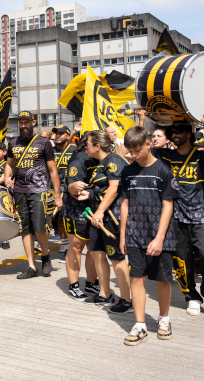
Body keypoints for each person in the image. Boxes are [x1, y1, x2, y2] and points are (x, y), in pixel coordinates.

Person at [152, 115, 204, 317]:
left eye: (178, 131)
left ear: (189, 134)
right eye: (171, 132)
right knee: (181, 260)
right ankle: (192, 297)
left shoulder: (201, 156)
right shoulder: (165, 155)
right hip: (176, 215)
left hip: (202, 213)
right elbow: (135, 150)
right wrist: (142, 121)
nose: (174, 134)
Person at [118, 126, 178, 346]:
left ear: (148, 144)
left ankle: (164, 319)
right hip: (134, 233)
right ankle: (140, 324)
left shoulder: (163, 170)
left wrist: (160, 238)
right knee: (136, 278)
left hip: (159, 235)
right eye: (130, 151)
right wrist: (123, 235)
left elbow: (168, 205)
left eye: (137, 150)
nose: (134, 155)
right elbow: (125, 203)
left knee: (162, 279)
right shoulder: (127, 172)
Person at [73, 131, 132, 312]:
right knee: (97, 253)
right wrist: (89, 194)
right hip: (99, 216)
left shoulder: (114, 160)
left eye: (88, 144)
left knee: (116, 257)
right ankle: (105, 293)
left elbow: (114, 188)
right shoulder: (101, 163)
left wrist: (99, 211)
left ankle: (126, 299)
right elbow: (103, 188)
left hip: (112, 216)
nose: (86, 147)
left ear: (97, 146)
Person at [4, 111, 61, 278]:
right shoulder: (13, 143)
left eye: (26, 122)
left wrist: (57, 196)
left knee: (40, 227)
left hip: (39, 191)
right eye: (21, 123)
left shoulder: (44, 143)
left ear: (33, 123)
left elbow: (53, 170)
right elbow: (9, 164)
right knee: (25, 229)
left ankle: (45, 254)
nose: (23, 126)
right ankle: (32, 266)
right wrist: (7, 177)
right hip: (19, 191)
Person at [64, 137, 100, 300]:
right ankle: (74, 286)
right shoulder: (79, 159)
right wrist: (75, 186)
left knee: (93, 248)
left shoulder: (104, 158)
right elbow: (72, 186)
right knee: (76, 247)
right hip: (76, 209)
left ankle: (91, 283)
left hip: (94, 208)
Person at [53, 124, 77, 252]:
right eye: (56, 133)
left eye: (61, 134)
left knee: (69, 218)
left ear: (68, 136)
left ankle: (72, 244)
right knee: (58, 219)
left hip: (69, 188)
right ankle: (65, 244)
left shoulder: (74, 150)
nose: (58, 136)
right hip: (54, 189)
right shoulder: (50, 151)